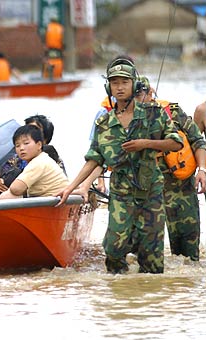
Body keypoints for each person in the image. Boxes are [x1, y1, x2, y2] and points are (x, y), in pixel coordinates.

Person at [56, 57, 183, 274]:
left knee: (151, 259)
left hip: (150, 193)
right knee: (113, 250)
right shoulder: (104, 124)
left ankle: (148, 301)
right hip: (121, 195)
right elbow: (94, 159)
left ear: (134, 84)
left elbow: (175, 142)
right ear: (109, 87)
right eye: (115, 83)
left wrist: (146, 143)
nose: (120, 87)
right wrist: (72, 187)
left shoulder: (153, 114)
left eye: (124, 82)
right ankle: (119, 293)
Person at [136, 76, 206, 262]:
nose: (139, 99)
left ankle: (181, 288)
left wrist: (202, 170)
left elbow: (198, 140)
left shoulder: (172, 112)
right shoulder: (122, 118)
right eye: (134, 95)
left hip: (179, 188)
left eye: (142, 93)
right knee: (142, 254)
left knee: (187, 255)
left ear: (151, 93)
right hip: (146, 189)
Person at [0, 125, 68, 200]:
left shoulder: (38, 162)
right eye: (17, 145)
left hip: (54, 203)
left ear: (39, 145)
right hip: (55, 201)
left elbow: (16, 189)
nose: (21, 148)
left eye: (26, 143)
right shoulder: (44, 158)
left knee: (6, 197)